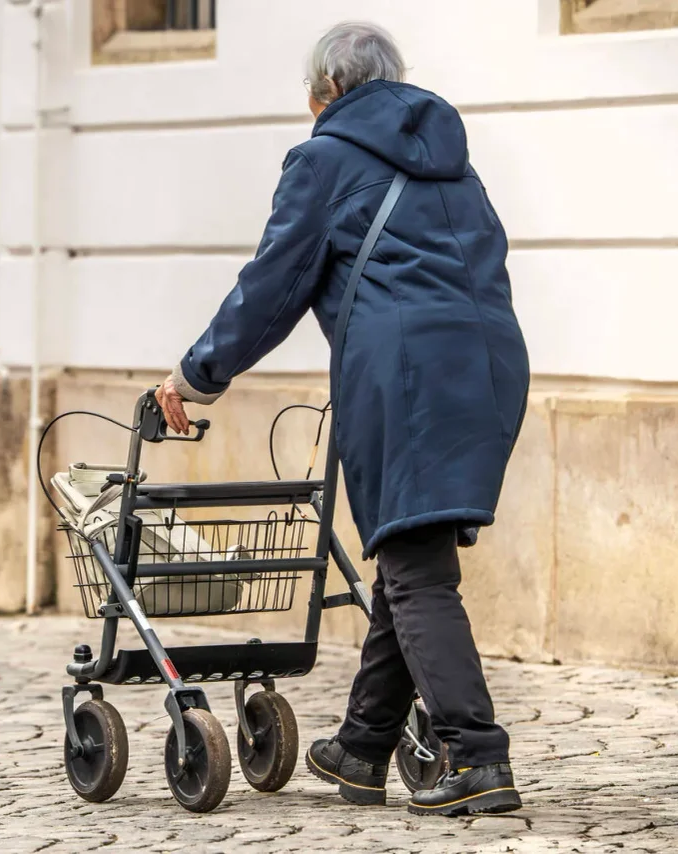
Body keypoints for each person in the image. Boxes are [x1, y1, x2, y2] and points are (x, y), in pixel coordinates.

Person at [154, 21, 530, 817]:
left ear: (325, 92)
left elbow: (272, 285)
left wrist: (196, 375)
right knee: (407, 548)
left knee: (419, 568)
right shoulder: (456, 162)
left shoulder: (322, 159)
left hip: (406, 373)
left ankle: (478, 758)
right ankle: (361, 749)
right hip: (491, 365)